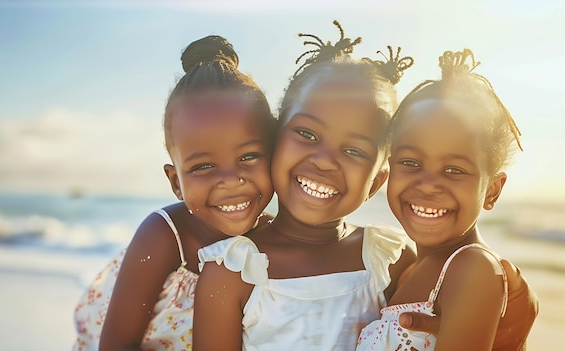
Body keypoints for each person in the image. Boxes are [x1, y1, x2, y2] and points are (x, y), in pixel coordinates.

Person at [192, 20, 416, 351]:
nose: (325, 160)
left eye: (354, 151)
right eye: (307, 134)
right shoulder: (233, 270)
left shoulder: (390, 262)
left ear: (376, 182)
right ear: (273, 140)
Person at [72, 35, 276, 351]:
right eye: (204, 166)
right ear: (175, 182)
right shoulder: (165, 236)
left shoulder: (275, 236)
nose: (231, 180)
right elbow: (115, 345)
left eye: (248, 157)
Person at [356, 48, 539, 351]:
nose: (428, 185)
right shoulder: (407, 270)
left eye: (454, 170)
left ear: (492, 190)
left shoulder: (473, 268)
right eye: (410, 162)